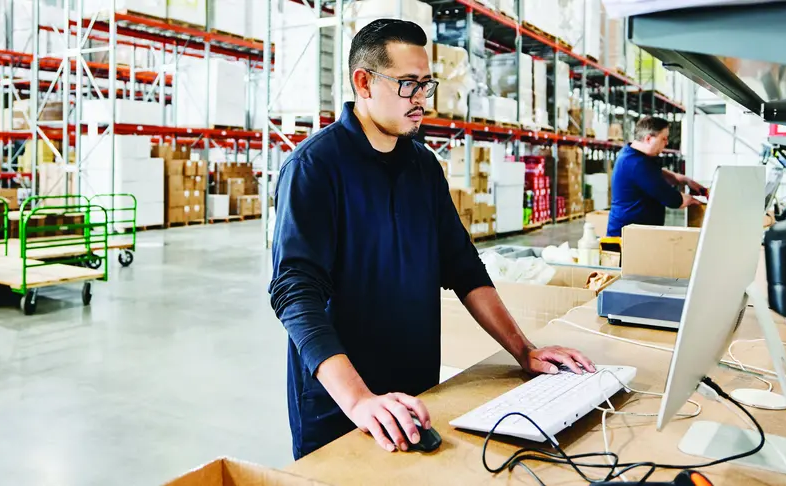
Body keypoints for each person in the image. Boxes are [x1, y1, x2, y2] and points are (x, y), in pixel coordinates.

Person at [267, 19, 596, 461]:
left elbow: (463, 266)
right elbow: (295, 294)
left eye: (426, 84)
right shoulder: (314, 168)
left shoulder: (423, 167)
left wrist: (525, 351)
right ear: (363, 82)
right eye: (408, 85)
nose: (422, 100)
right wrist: (360, 400)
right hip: (342, 406)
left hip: (419, 396)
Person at [606, 116, 706, 237]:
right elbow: (673, 200)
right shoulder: (637, 164)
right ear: (648, 139)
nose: (667, 142)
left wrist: (684, 180)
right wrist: (696, 202)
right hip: (627, 237)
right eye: (664, 138)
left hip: (636, 233)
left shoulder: (632, 153)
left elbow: (654, 173)